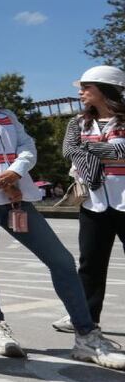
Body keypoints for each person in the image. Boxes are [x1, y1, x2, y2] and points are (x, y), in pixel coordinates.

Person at [0, 55, 124, 370]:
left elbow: (28, 146)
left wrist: (15, 172)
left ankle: (86, 337)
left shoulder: (5, 114)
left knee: (62, 261)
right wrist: (2, 180)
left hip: (15, 198)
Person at [59, 65, 125, 337]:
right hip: (93, 202)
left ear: (105, 90)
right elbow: (68, 150)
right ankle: (86, 318)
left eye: (87, 87)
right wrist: (103, 152)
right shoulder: (78, 122)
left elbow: (121, 151)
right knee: (90, 264)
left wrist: (86, 149)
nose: (81, 91)